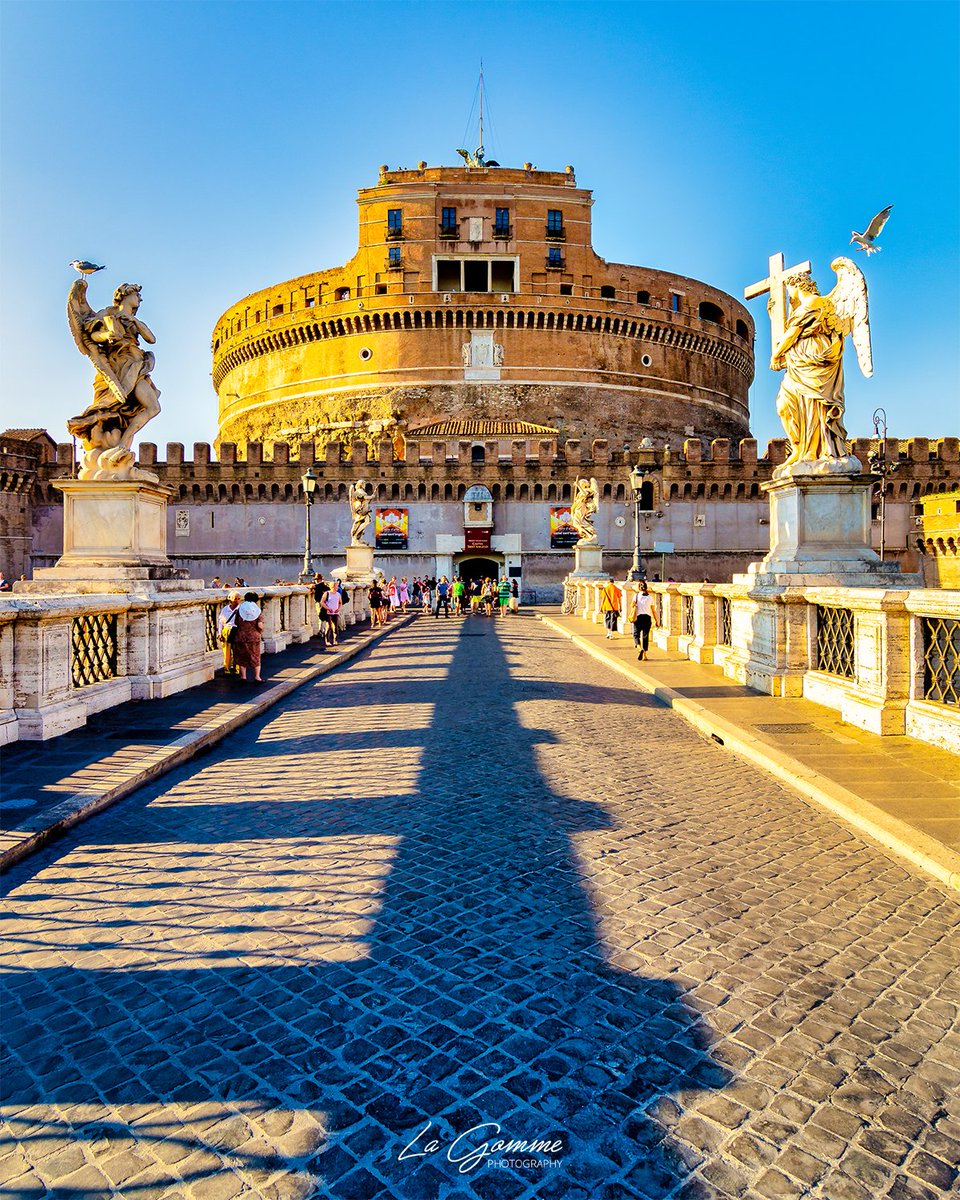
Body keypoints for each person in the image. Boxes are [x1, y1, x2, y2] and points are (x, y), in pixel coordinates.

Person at [772, 271, 852, 467]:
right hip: (799, 363)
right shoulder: (802, 307)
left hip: (815, 363)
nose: (789, 295)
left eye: (790, 290)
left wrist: (776, 354)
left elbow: (792, 334)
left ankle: (818, 448)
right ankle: (800, 447)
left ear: (798, 286)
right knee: (784, 405)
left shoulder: (814, 302)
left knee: (815, 407)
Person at [234, 592, 264, 683]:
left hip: (241, 636)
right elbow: (260, 625)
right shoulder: (257, 611)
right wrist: (260, 632)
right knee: (255, 656)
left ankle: (243, 677)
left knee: (242, 656)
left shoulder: (239, 610)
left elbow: (236, 623)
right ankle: (257, 677)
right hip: (254, 637)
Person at [629, 581, 658, 660]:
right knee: (645, 636)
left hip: (638, 618)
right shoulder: (650, 597)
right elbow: (653, 611)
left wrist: (635, 605)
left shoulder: (636, 596)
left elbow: (632, 605)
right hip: (647, 618)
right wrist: (656, 621)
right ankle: (645, 655)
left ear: (639, 588)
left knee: (636, 635)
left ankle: (639, 649)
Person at [217, 591, 242, 675]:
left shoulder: (241, 609)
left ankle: (237, 669)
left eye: (239, 599)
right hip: (227, 630)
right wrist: (220, 634)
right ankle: (226, 668)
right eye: (235, 599)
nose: (237, 601)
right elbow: (220, 622)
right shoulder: (225, 609)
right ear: (230, 599)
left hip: (237, 630)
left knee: (237, 651)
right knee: (226, 651)